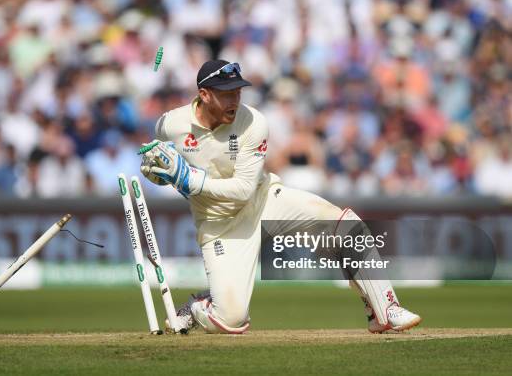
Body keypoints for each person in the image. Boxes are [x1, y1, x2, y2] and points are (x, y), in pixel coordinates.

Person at [139, 60, 421, 334]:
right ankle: (201, 305)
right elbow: (155, 152)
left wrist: (188, 179)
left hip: (263, 200)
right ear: (204, 95)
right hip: (218, 223)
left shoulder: (253, 123)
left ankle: (386, 310)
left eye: (238, 92)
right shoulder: (172, 124)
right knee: (230, 321)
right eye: (226, 95)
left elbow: (243, 191)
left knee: (347, 224)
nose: (234, 101)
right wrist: (156, 172)